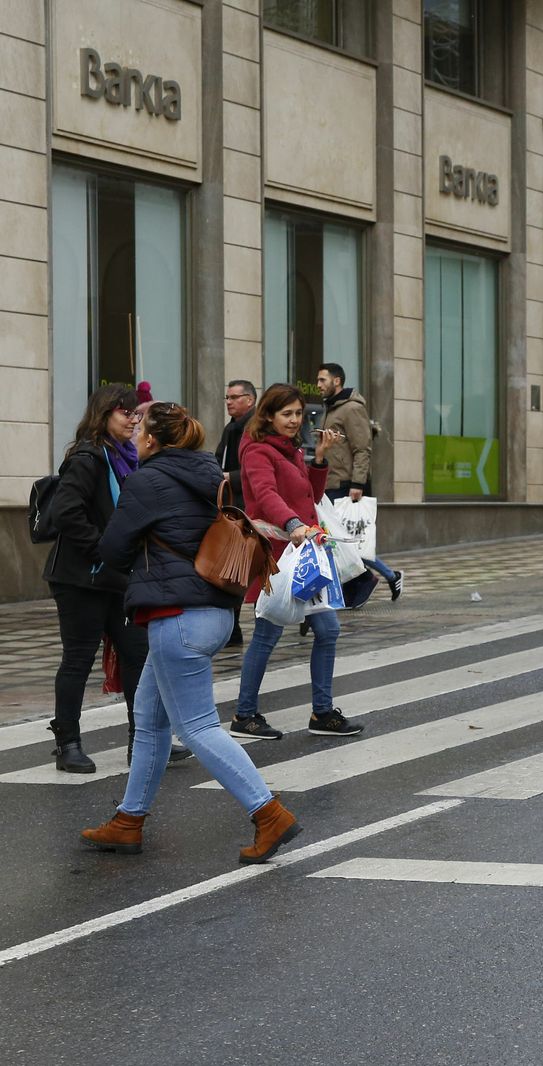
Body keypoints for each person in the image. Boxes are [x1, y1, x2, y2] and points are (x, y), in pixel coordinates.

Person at [79, 402, 302, 863]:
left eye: (138, 427)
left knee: (197, 726)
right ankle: (128, 819)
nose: (134, 434)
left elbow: (115, 548)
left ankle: (268, 812)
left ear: (153, 439)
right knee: (150, 719)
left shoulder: (147, 480)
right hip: (214, 612)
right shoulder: (209, 474)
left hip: (176, 616)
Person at [42, 385, 167, 774]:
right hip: (81, 578)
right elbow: (66, 514)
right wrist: (103, 549)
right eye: (124, 412)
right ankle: (68, 743)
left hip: (117, 576)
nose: (133, 419)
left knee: (137, 654)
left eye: (135, 413)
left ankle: (141, 740)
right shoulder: (88, 456)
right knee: (78, 659)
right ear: (103, 415)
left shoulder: (127, 458)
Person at [233, 383, 363, 740]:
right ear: (269, 415)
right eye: (286, 414)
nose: (294, 421)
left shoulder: (289, 449)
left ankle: (322, 713)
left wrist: (319, 458)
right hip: (277, 556)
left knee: (328, 630)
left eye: (298, 414)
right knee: (267, 633)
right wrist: (293, 525)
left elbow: (310, 495)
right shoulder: (258, 450)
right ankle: (244, 715)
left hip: (305, 554)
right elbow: (265, 495)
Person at [315, 363, 403, 603]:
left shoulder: (351, 409)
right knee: (340, 542)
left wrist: (358, 483)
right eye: (318, 380)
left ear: (337, 381)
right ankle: (384, 577)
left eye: (323, 380)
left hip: (345, 484)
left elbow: (362, 449)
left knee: (347, 541)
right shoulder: (330, 409)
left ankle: (384, 577)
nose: (319, 385)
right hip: (330, 482)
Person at [216, 380, 256, 645]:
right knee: (234, 568)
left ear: (249, 400)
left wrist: (228, 476)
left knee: (245, 567)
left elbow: (257, 472)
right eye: (226, 397)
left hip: (250, 505)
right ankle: (232, 629)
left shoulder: (255, 429)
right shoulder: (231, 428)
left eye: (234, 397)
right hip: (232, 504)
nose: (228, 402)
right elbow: (219, 458)